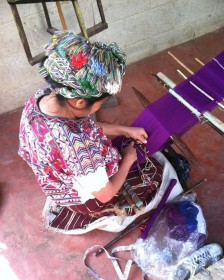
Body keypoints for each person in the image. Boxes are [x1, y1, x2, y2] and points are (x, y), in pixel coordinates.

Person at [18, 31, 183, 234]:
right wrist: (128, 159)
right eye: (101, 103)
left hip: (55, 178)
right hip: (88, 198)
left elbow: (86, 126)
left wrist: (125, 129)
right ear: (79, 102)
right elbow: (106, 194)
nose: (100, 106)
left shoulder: (40, 100)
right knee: (155, 174)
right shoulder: (79, 149)